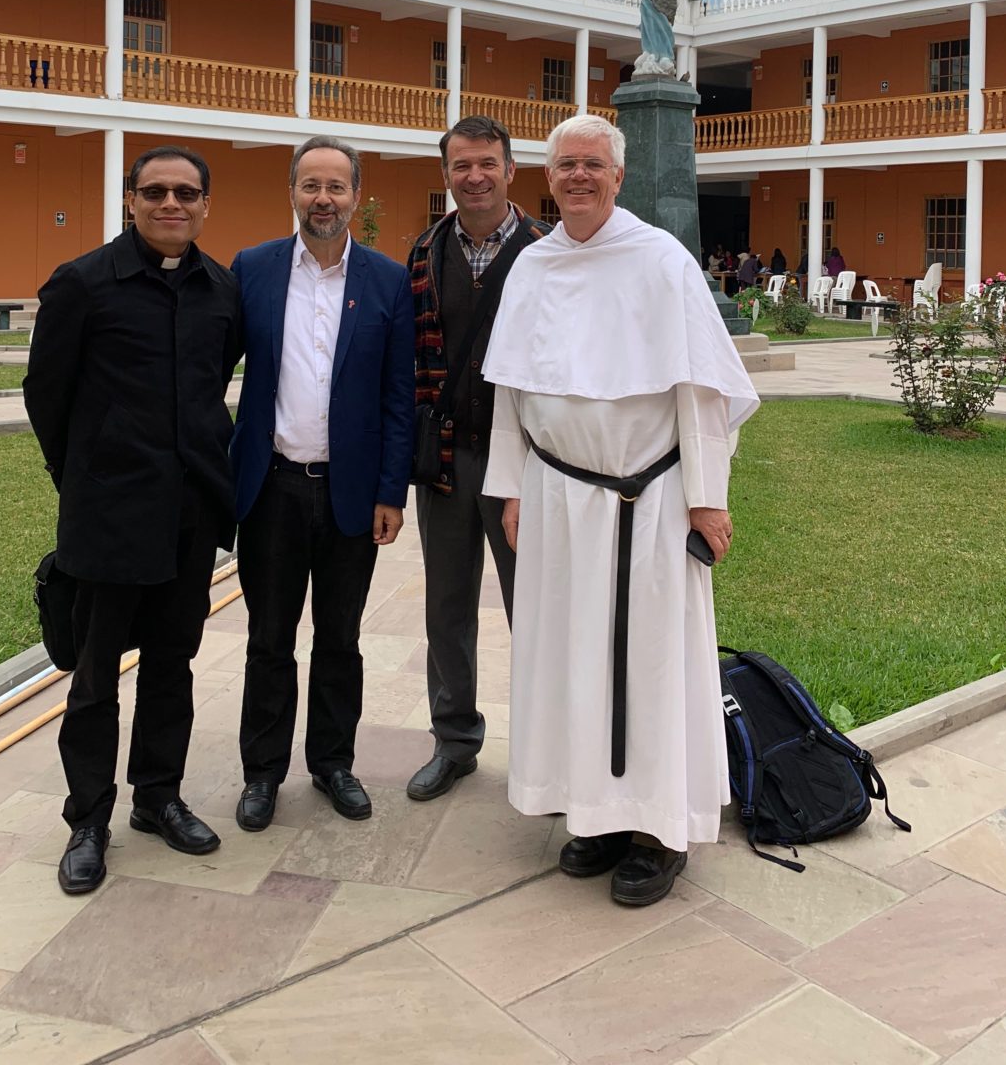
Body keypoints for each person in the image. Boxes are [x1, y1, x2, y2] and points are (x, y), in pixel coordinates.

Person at [481, 115, 758, 908]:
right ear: (548, 176)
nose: (578, 176)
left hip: (650, 499)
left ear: (618, 176)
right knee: (570, 656)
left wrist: (707, 499)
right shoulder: (532, 266)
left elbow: (700, 389)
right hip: (557, 497)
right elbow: (512, 391)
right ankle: (597, 816)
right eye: (565, 164)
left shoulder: (659, 260)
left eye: (592, 165)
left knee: (652, 663)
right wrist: (510, 488)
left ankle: (660, 830)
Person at [24, 146, 242, 895]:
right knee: (94, 678)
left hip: (189, 514)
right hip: (108, 516)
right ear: (131, 199)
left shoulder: (221, 290)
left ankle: (158, 797)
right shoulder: (84, 284)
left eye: (186, 192)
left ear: (206, 204)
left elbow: (214, 384)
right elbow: (45, 394)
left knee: (173, 665)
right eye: (155, 191)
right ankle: (88, 820)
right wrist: (81, 479)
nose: (170, 204)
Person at [229, 135, 413, 832]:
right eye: (311, 185)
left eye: (337, 186)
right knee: (269, 638)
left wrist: (391, 492)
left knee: (340, 638)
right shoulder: (254, 269)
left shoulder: (386, 282)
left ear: (356, 196)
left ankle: (334, 762)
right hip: (271, 489)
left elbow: (400, 397)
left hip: (350, 495)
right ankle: (262, 773)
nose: (324, 199)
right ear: (293, 193)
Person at [405, 115, 549, 802]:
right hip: (446, 458)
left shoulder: (550, 252)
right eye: (462, 165)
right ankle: (454, 741)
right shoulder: (424, 251)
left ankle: (549, 747)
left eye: (487, 163)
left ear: (510, 170)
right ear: (447, 175)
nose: (475, 176)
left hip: (527, 463)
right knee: (447, 607)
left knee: (539, 606)